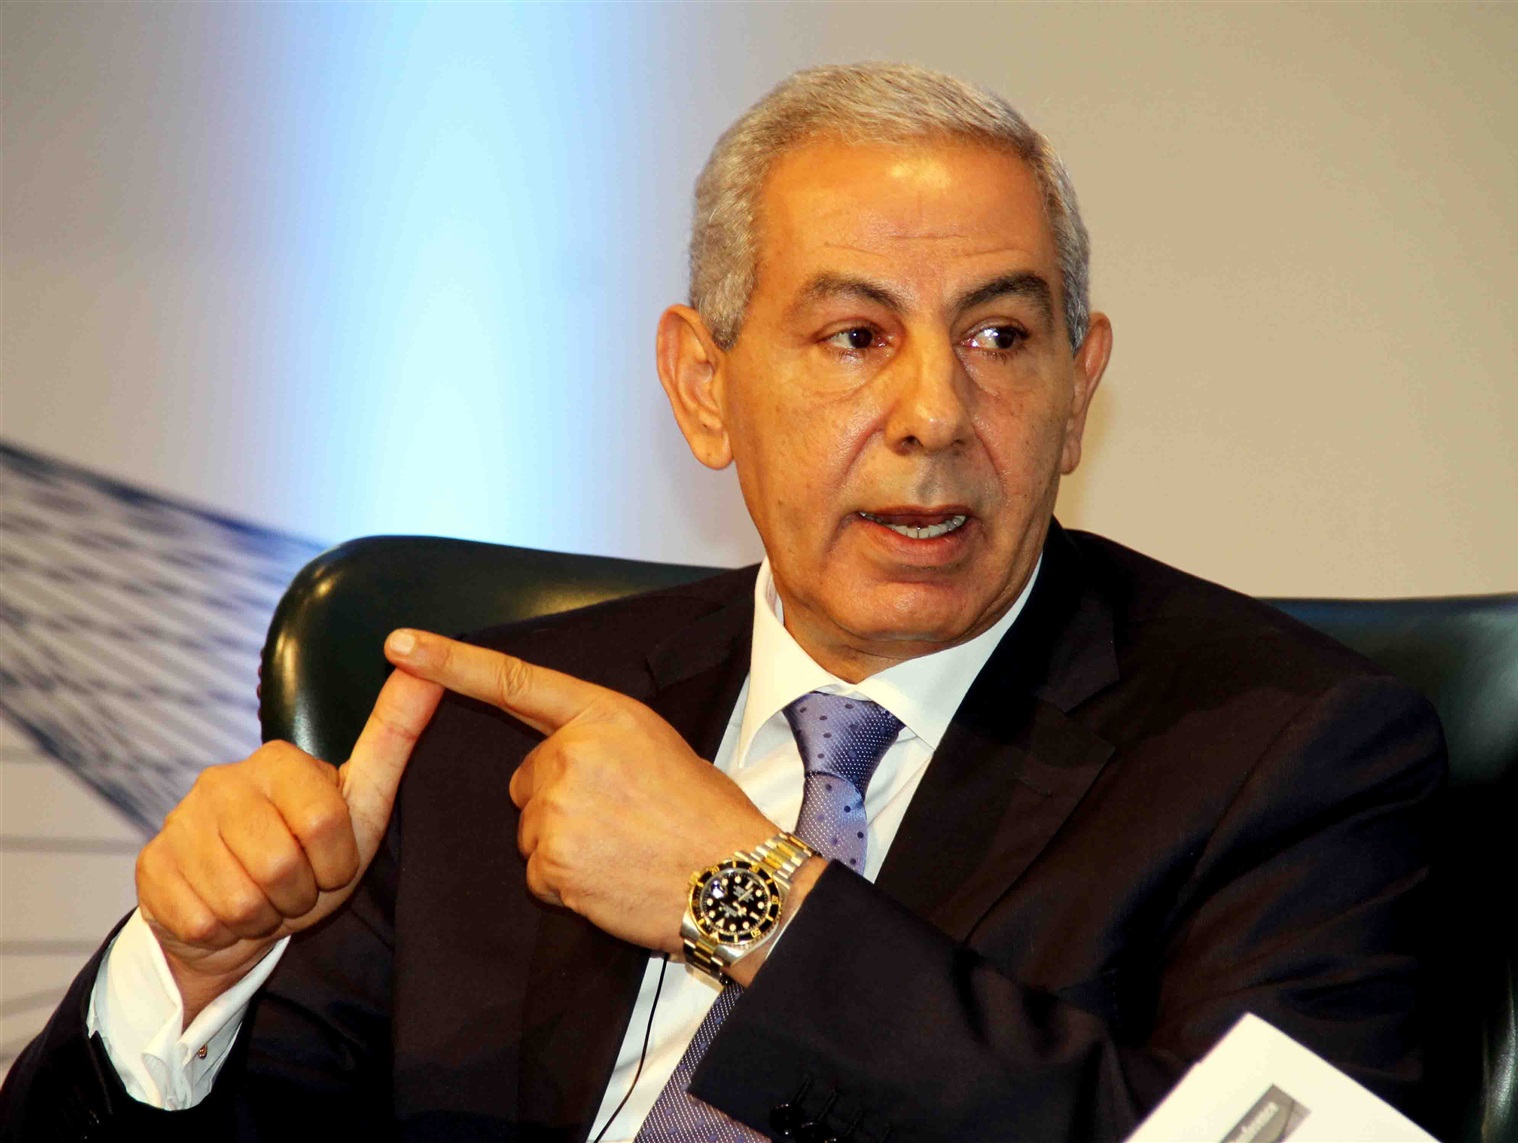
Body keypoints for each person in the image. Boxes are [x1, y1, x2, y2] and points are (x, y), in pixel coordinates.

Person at [0, 62, 1443, 1143]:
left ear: (1080, 388)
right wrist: (188, 978)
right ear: (705, 386)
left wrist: (743, 901)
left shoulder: (1283, 753)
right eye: (855, 336)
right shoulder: (482, 729)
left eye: (1002, 337)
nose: (937, 413)